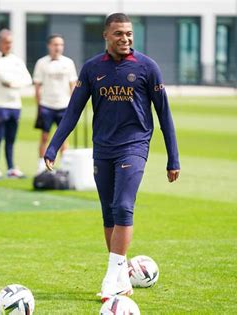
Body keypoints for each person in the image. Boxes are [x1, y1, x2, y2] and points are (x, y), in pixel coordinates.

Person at [44, 13, 180, 302]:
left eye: (129, 33)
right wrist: (54, 146)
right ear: (106, 35)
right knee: (109, 213)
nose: (125, 38)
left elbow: (164, 115)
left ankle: (110, 278)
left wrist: (173, 158)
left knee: (123, 205)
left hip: (134, 145)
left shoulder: (148, 67)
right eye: (119, 33)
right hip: (102, 148)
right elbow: (73, 112)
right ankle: (121, 278)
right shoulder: (93, 68)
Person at [0, 29, 32, 180]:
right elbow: (3, 78)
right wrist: (14, 80)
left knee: (11, 138)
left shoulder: (16, 60)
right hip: (0, 104)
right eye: (6, 42)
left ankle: (11, 167)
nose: (8, 45)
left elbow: (27, 79)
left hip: (15, 105)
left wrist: (14, 83)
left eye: (10, 42)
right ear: (0, 43)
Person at [32, 34, 77, 174]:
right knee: (44, 136)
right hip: (47, 105)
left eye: (60, 45)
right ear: (49, 46)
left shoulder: (68, 62)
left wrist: (74, 105)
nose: (58, 47)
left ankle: (64, 165)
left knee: (63, 137)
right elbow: (37, 87)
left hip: (64, 105)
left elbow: (73, 85)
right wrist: (39, 106)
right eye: (55, 44)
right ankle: (41, 165)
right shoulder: (41, 63)